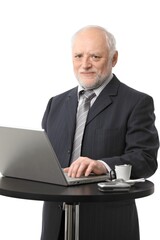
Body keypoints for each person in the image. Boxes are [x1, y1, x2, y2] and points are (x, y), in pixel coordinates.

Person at [40, 25, 159, 240]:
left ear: (114, 59)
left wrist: (102, 165)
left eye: (95, 56)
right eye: (78, 56)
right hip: (55, 225)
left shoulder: (136, 103)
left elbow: (145, 160)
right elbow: (46, 159)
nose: (85, 65)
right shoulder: (55, 104)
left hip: (107, 225)